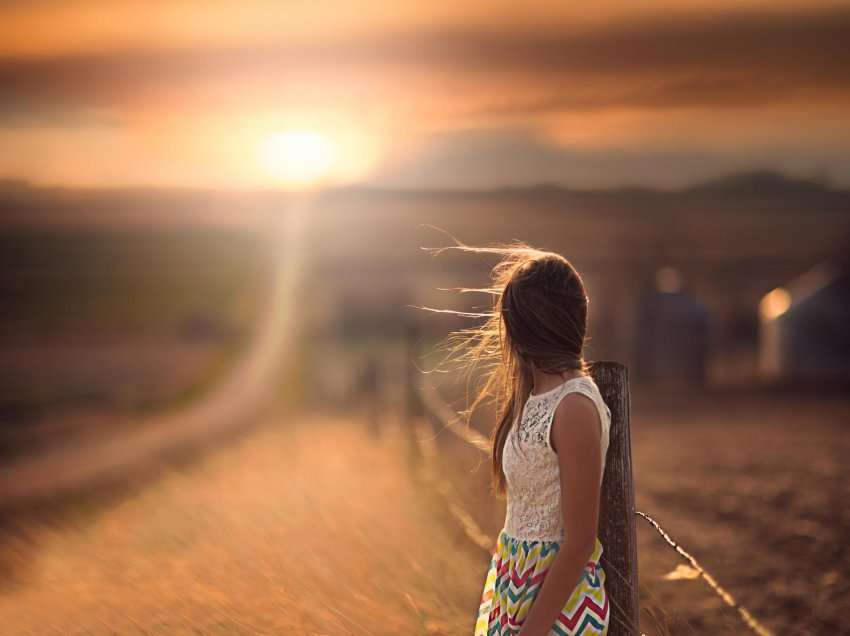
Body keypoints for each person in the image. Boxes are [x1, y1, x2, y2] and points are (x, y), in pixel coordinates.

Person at [428, 240, 612, 635]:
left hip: (557, 605)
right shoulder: (534, 397)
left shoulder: (574, 407)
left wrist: (532, 629)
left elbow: (579, 541)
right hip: (517, 588)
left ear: (521, 329)